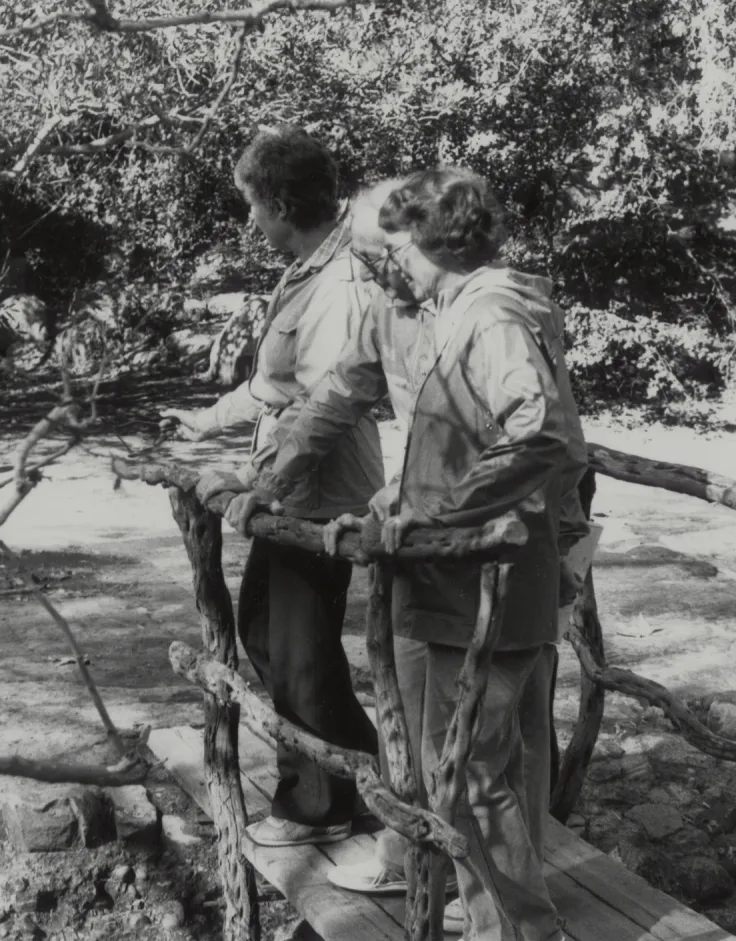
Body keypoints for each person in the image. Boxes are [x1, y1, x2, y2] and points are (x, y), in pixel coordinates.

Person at [238, 169, 576, 941]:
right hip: (435, 578)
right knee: (439, 769)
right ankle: (468, 905)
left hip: (489, 584)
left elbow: (544, 439)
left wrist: (428, 506)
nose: (376, 268)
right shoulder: (428, 308)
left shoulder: (492, 315)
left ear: (430, 238)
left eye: (385, 250)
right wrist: (274, 480)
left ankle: (522, 930)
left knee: (477, 775)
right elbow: (346, 397)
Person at [159, 126, 383, 848]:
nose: (251, 220)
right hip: (290, 485)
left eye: (254, 204)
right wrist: (204, 422)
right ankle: (353, 782)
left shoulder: (343, 281)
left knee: (294, 644)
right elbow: (271, 384)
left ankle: (330, 801)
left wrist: (258, 480)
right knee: (270, 629)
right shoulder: (308, 267)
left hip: (318, 493)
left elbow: (325, 408)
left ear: (282, 203)